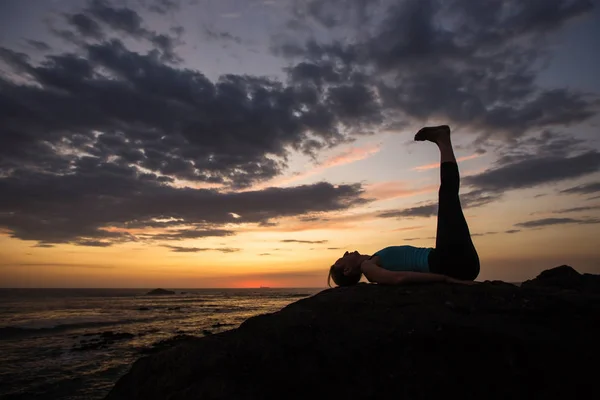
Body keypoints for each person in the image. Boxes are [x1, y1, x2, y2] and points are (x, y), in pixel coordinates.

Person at [328, 125, 480, 287]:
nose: (345, 253)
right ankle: (443, 141)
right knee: (448, 196)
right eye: (340, 260)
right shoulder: (368, 267)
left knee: (448, 196)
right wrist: (445, 279)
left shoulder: (373, 260)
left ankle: (443, 141)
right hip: (449, 263)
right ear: (347, 270)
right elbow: (398, 278)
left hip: (454, 261)